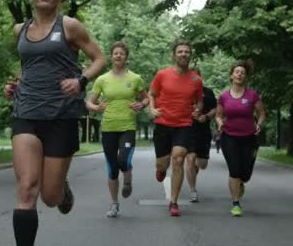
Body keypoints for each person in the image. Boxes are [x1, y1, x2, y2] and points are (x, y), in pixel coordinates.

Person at [4, 0, 106, 246]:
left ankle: (62, 189)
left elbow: (100, 59)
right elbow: (29, 67)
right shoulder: (19, 30)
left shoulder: (70, 26)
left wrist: (81, 80)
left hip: (61, 114)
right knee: (26, 188)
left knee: (49, 196)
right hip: (25, 112)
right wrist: (15, 85)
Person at [86, 41, 149, 218]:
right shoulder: (102, 79)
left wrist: (141, 104)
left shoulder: (135, 78)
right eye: (115, 53)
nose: (118, 56)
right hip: (108, 127)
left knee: (123, 160)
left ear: (126, 57)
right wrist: (95, 107)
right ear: (111, 56)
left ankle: (128, 175)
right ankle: (114, 204)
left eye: (121, 53)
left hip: (127, 126)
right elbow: (89, 101)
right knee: (112, 169)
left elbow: (146, 98)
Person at [148, 40, 203, 216]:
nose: (184, 54)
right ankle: (161, 170)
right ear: (174, 54)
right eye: (180, 51)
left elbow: (199, 100)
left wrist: (197, 110)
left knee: (178, 159)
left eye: (187, 52)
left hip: (183, 124)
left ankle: (174, 202)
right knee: (162, 164)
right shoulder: (162, 75)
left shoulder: (196, 79)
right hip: (163, 123)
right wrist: (151, 109)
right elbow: (152, 94)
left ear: (190, 55)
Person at [215, 60, 265, 217]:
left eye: (242, 72)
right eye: (237, 72)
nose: (239, 74)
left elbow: (262, 113)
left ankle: (242, 182)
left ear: (245, 77)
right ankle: (236, 203)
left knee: (246, 173)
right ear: (231, 75)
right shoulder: (224, 96)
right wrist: (219, 124)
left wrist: (259, 124)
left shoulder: (252, 95)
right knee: (234, 170)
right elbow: (218, 115)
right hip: (229, 137)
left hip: (249, 137)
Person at [185, 67, 217, 203]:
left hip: (203, 130)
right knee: (190, 159)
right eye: (191, 76)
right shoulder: (183, 91)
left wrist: (206, 116)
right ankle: (193, 190)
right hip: (187, 129)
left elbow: (216, 109)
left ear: (200, 77)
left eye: (196, 76)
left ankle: (194, 170)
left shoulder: (208, 92)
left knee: (202, 164)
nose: (193, 78)